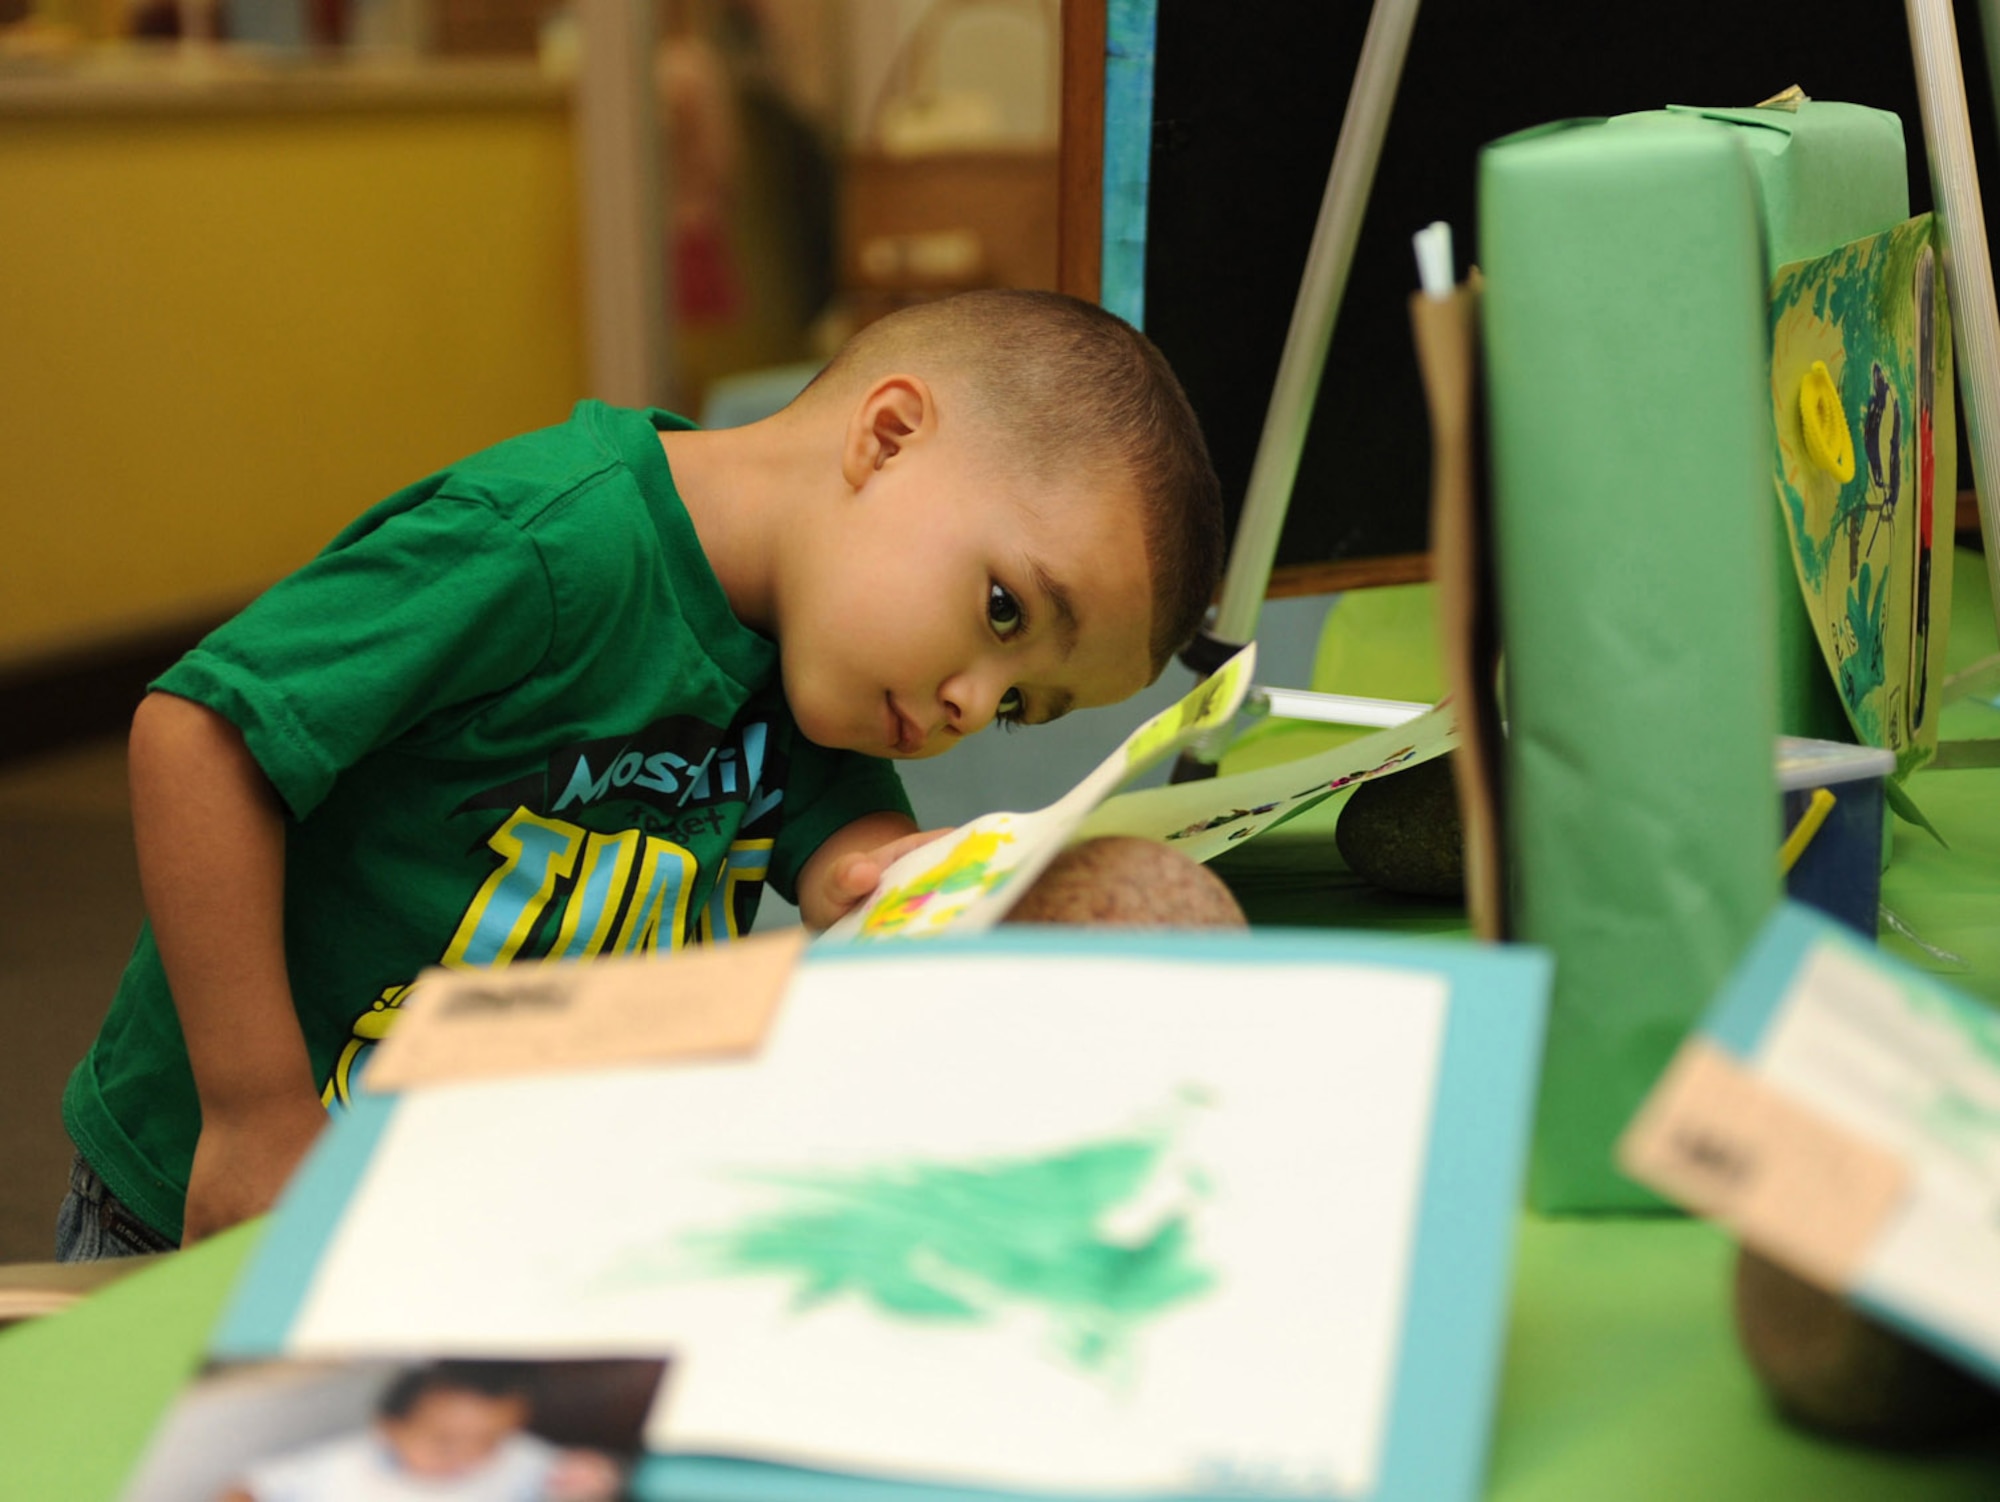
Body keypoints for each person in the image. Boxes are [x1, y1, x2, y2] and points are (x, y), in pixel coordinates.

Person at [56, 289, 1224, 1260]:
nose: (974, 704)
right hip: (211, 1195)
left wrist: (887, 878)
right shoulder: (542, 545)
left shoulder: (822, 644)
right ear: (885, 437)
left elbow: (834, 834)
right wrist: (255, 1112)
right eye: (1005, 609)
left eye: (1021, 705)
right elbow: (200, 736)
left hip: (445, 1200)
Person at [222, 1361, 622, 1502]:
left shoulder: (518, 1460)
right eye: (444, 1442)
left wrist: (590, 1482)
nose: (468, 1457)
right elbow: (248, 1489)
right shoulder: (344, 1466)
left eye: (490, 1441)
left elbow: (576, 1479)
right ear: (389, 1429)